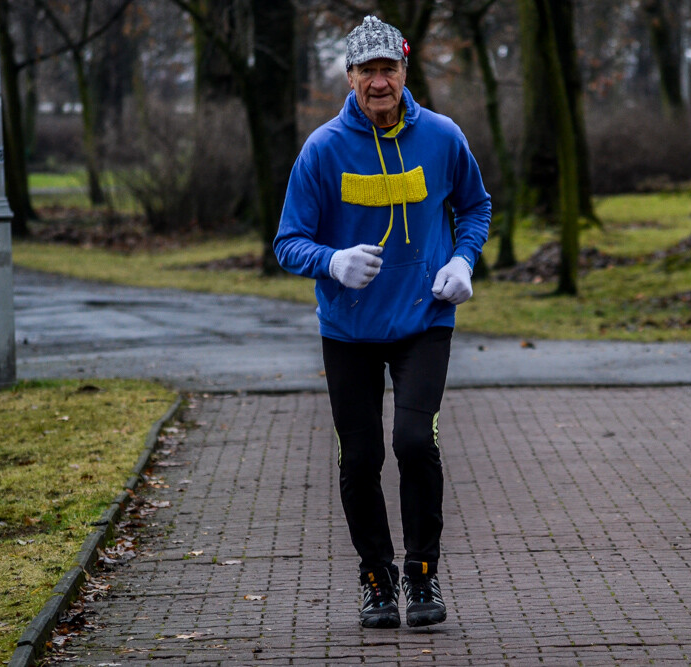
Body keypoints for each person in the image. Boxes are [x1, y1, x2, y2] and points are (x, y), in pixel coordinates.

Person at [273, 15, 491, 629]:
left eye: (387, 69)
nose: (378, 82)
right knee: (361, 457)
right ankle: (376, 578)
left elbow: (475, 206)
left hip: (425, 318)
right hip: (349, 330)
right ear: (349, 77)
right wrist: (331, 261)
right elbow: (288, 241)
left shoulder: (442, 137)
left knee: (415, 442)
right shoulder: (322, 150)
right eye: (366, 71)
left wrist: (462, 259)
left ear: (404, 70)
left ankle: (422, 574)